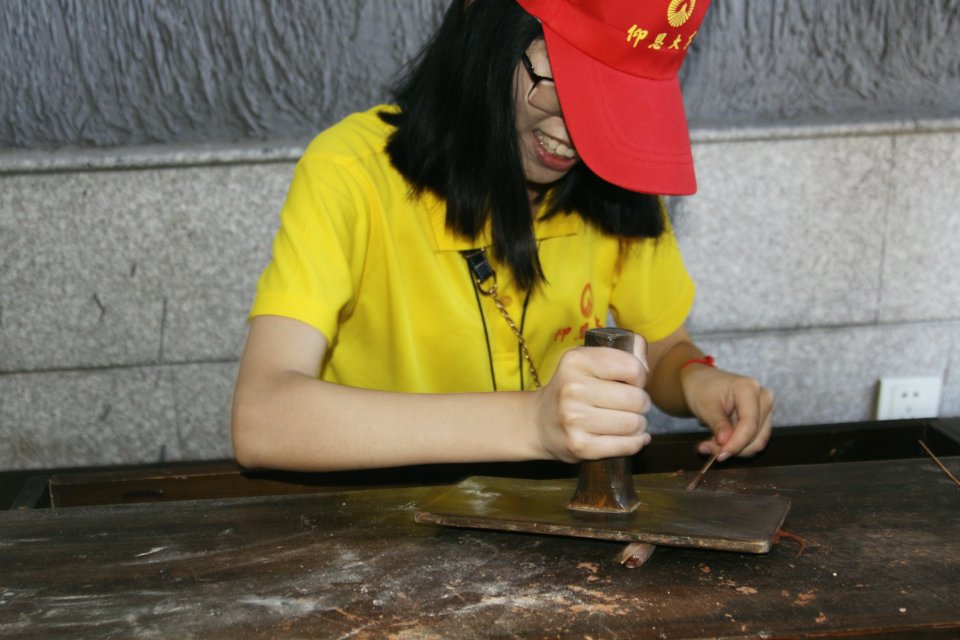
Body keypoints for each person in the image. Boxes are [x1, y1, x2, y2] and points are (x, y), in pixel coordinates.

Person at [231, 0, 773, 473]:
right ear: (484, 23)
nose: (573, 133)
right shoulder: (352, 174)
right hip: (384, 524)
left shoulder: (616, 179)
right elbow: (263, 419)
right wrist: (531, 423)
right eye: (562, 78)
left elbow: (664, 345)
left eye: (613, 99)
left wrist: (696, 380)